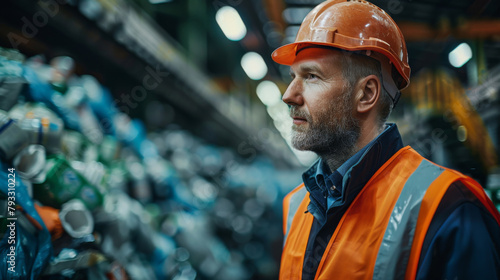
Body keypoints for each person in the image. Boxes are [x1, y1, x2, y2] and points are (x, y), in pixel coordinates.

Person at [271, 0, 500, 279]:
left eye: (311, 76)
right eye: (293, 76)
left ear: (366, 94)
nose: (289, 95)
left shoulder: (449, 208)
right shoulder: (296, 206)